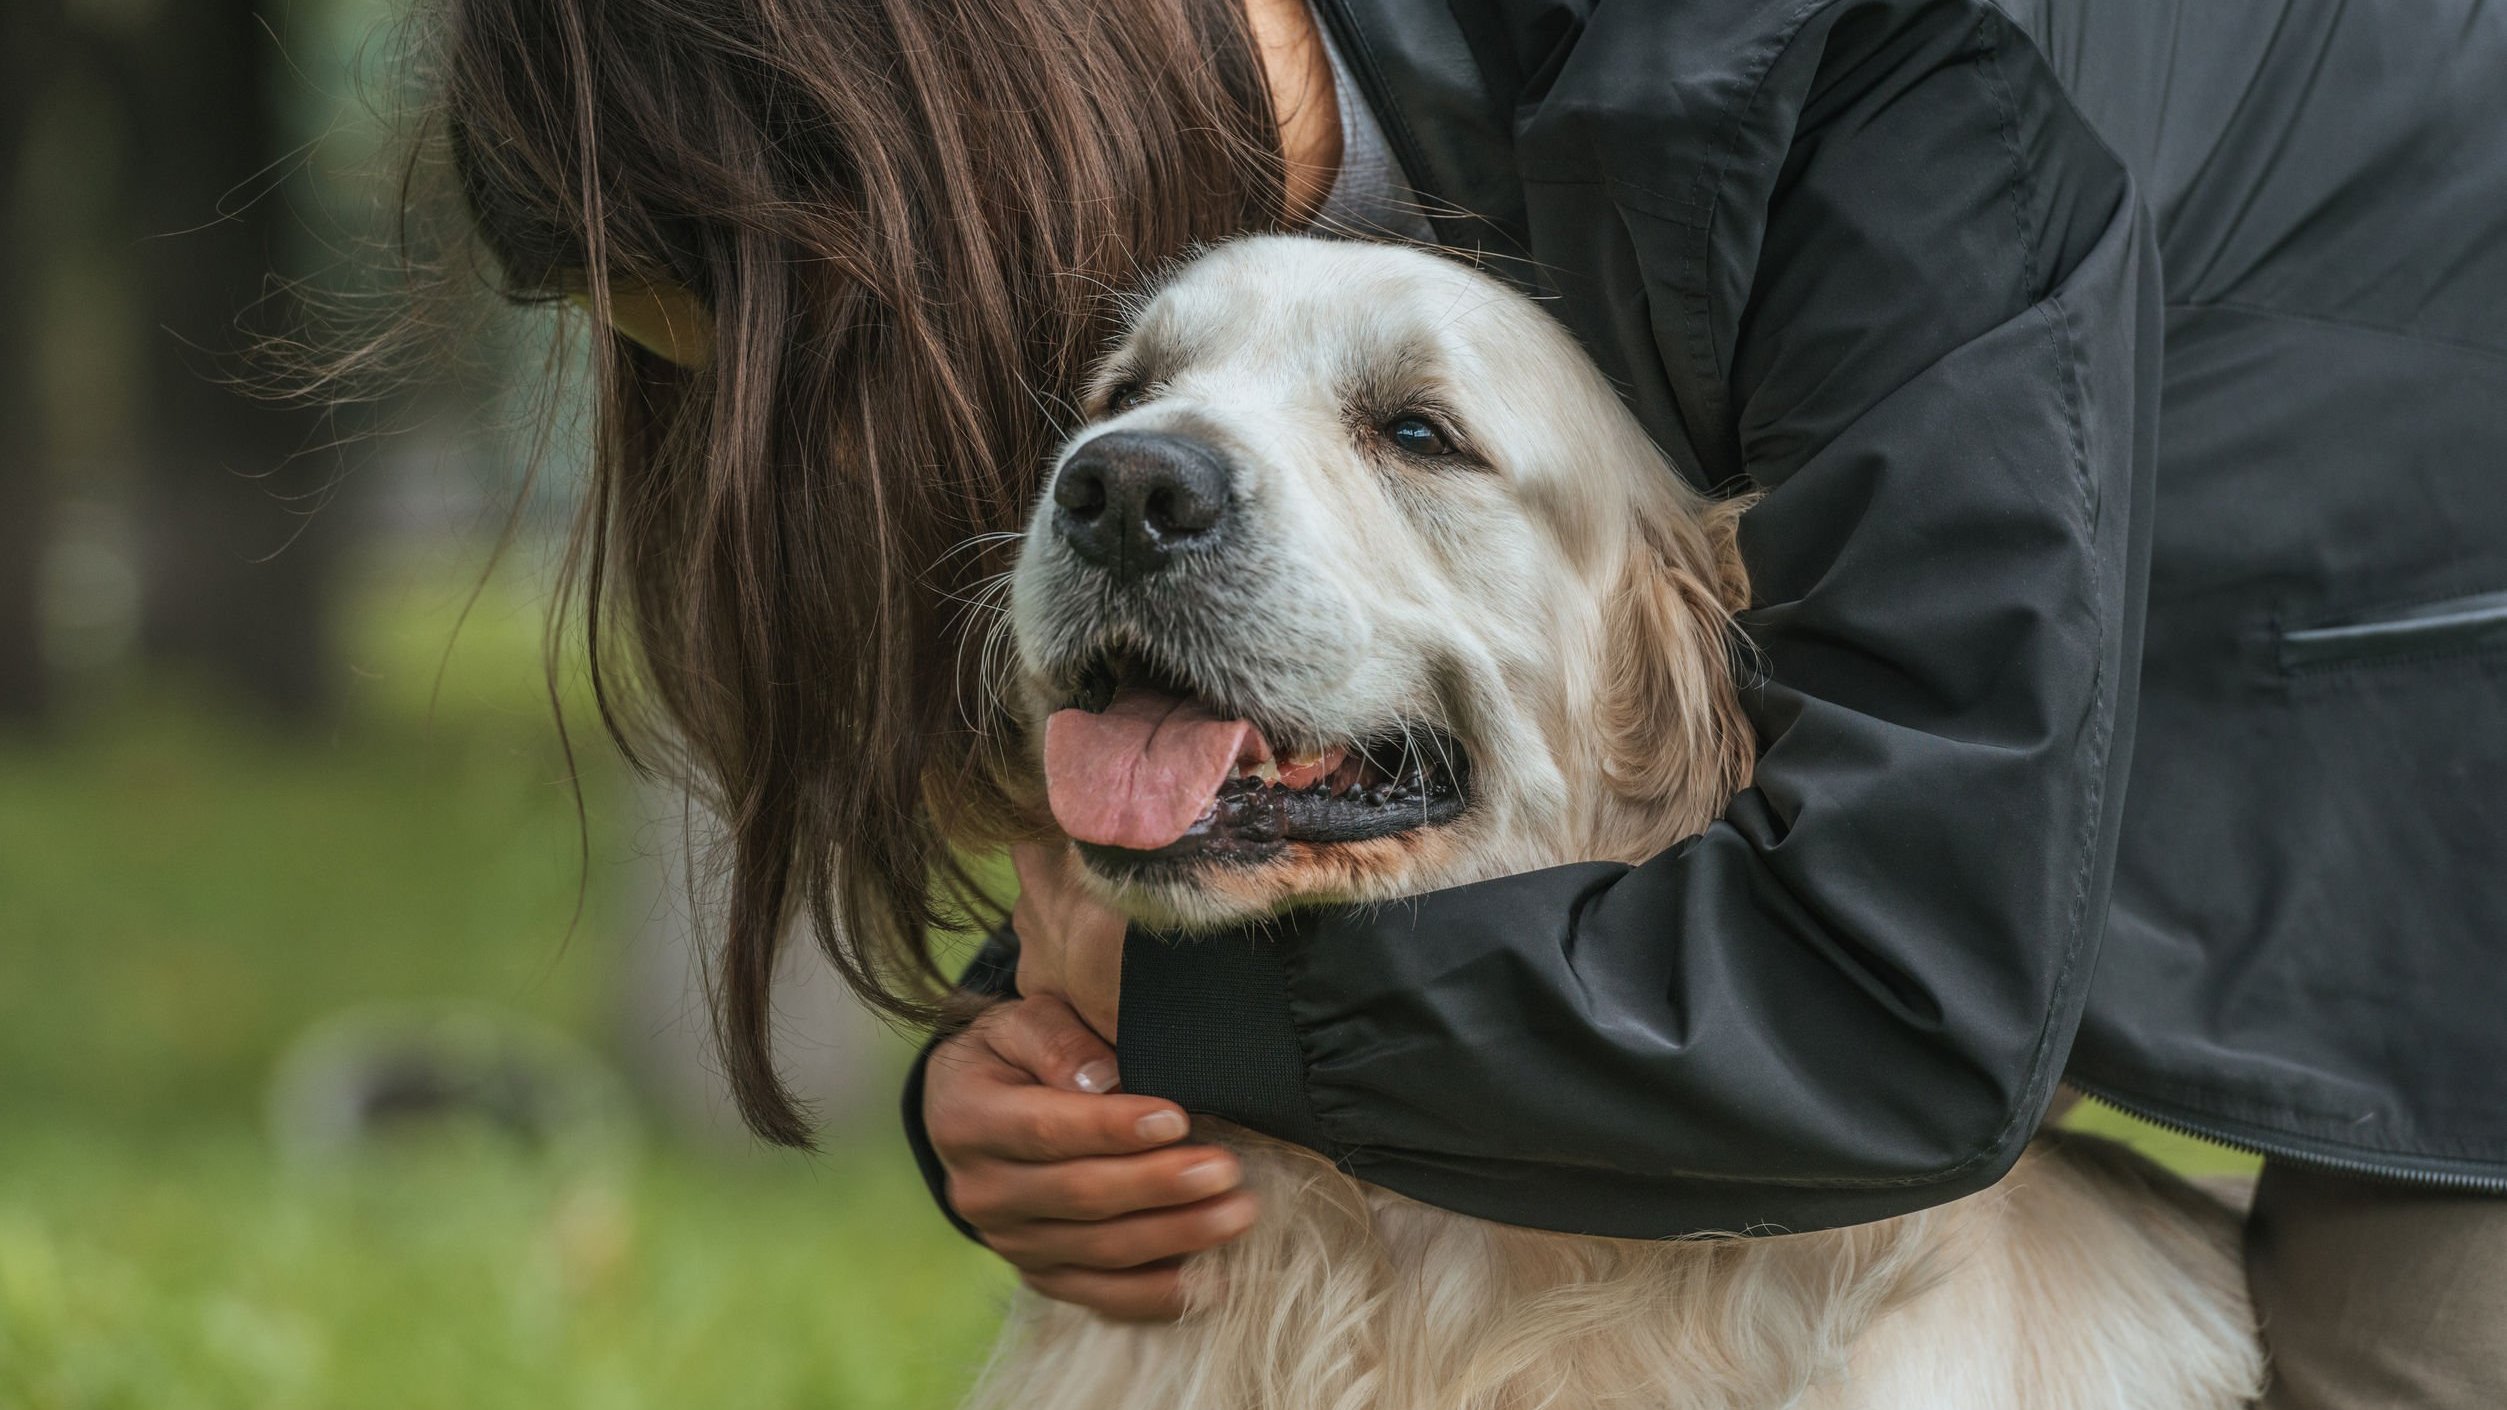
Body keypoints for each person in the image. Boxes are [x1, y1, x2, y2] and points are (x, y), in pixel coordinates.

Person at [427, 0, 2507, 1403]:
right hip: (2005, 711)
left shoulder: (1841, 59)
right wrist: (1056, 1036)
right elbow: (1401, 696)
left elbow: (1891, 994)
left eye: (856, 341)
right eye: (1127, 394)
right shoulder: (1303, 133)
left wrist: (1205, 1022)